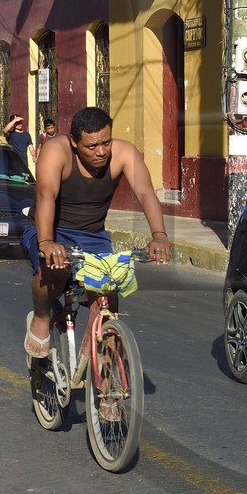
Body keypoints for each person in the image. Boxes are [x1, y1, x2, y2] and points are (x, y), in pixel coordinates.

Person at [22, 106, 171, 359]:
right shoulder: (56, 151)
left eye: (106, 142)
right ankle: (41, 316)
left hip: (93, 235)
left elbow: (146, 193)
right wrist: (46, 241)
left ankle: (102, 371)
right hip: (51, 230)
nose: (101, 151)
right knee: (56, 270)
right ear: (74, 142)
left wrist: (159, 235)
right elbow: (46, 195)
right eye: (91, 146)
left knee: (107, 295)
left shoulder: (124, 153)